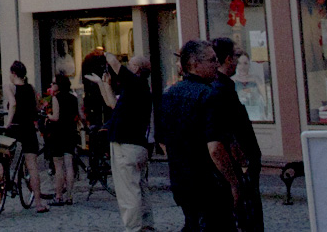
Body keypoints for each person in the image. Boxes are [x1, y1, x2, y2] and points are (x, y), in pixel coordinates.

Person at [157, 40, 236, 232]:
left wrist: (179, 161)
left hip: (182, 180)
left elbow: (162, 141)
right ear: (195, 64)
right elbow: (215, 148)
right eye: (211, 60)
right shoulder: (209, 95)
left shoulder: (169, 95)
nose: (217, 64)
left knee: (192, 223)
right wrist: (233, 181)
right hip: (209, 183)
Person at [209, 39, 262, 232]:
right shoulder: (219, 90)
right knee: (244, 218)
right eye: (236, 56)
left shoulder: (225, 86)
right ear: (228, 58)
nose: (238, 61)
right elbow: (223, 137)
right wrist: (236, 173)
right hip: (238, 164)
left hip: (244, 161)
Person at [104, 54, 155, 232]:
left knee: (128, 192)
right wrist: (105, 85)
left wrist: (105, 53)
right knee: (140, 186)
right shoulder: (136, 89)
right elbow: (112, 104)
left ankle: (134, 228)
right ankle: (147, 225)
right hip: (136, 145)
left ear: (137, 69)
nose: (127, 66)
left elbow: (116, 64)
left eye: (131, 64)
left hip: (126, 145)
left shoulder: (136, 84)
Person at [6, 61, 49, 213]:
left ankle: (5, 184)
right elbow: (37, 106)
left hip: (16, 128)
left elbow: (13, 105)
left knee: (3, 156)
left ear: (13, 73)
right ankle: (38, 203)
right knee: (33, 167)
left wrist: (8, 124)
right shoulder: (31, 88)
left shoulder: (11, 87)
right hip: (29, 129)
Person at [44, 71, 80, 206]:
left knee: (59, 166)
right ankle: (69, 196)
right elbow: (79, 115)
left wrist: (48, 117)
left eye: (53, 83)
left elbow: (56, 117)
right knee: (69, 165)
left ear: (58, 85)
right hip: (70, 132)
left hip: (58, 133)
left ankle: (58, 196)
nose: (51, 85)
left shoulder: (56, 98)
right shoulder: (73, 97)